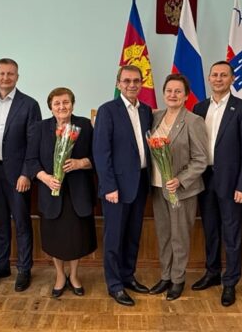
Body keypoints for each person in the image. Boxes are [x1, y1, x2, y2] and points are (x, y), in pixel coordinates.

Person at [191, 61, 242, 307]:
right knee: (210, 229)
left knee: (232, 233)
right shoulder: (199, 108)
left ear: (232, 79)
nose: (218, 79)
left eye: (223, 75)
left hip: (231, 182)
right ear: (209, 78)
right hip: (204, 178)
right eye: (215, 75)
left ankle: (230, 282)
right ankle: (212, 272)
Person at [0, 58, 41, 292]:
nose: (6, 78)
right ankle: (1, 265)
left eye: (10, 74)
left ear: (17, 77)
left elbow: (34, 143)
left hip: (17, 175)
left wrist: (26, 174)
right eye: (1, 74)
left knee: (21, 222)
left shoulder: (29, 104)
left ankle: (24, 268)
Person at [25, 87, 97, 297]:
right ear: (50, 107)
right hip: (51, 192)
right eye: (57, 103)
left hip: (78, 193)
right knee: (55, 238)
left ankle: (74, 275)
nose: (62, 107)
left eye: (66, 102)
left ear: (72, 104)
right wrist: (45, 178)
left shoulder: (85, 125)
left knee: (76, 237)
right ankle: (59, 275)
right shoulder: (40, 128)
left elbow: (98, 156)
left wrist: (80, 163)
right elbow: (31, 160)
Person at [93, 65, 154, 306]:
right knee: (114, 238)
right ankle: (115, 284)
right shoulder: (107, 111)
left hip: (140, 183)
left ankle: (128, 275)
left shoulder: (146, 111)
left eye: (136, 81)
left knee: (133, 235)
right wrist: (109, 186)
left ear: (142, 83)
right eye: (126, 81)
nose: (131, 85)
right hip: (116, 187)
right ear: (118, 84)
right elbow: (101, 152)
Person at [147, 74, 208, 301]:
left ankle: (178, 279)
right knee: (163, 234)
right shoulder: (155, 117)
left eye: (178, 91)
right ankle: (165, 276)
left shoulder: (194, 121)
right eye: (169, 91)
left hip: (182, 190)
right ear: (163, 93)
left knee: (179, 236)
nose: (173, 95)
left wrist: (181, 179)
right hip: (157, 187)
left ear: (186, 96)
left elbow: (201, 159)